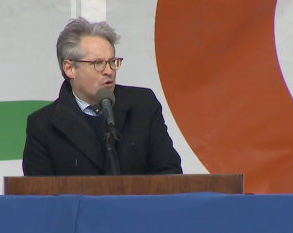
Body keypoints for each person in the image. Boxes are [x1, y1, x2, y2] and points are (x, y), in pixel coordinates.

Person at [22, 17, 182, 176]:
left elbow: (169, 174)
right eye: (98, 63)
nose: (109, 71)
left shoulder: (143, 105)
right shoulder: (43, 125)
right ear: (70, 68)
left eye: (112, 61)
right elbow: (40, 197)